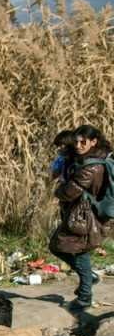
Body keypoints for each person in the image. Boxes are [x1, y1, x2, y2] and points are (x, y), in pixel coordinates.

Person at [49, 124, 110, 311]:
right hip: (79, 215)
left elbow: (70, 191)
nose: (78, 145)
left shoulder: (91, 166)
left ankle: (85, 296)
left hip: (85, 217)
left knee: (80, 254)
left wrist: (58, 191)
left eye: (83, 142)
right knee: (57, 246)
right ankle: (88, 278)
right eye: (76, 141)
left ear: (94, 142)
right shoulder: (85, 159)